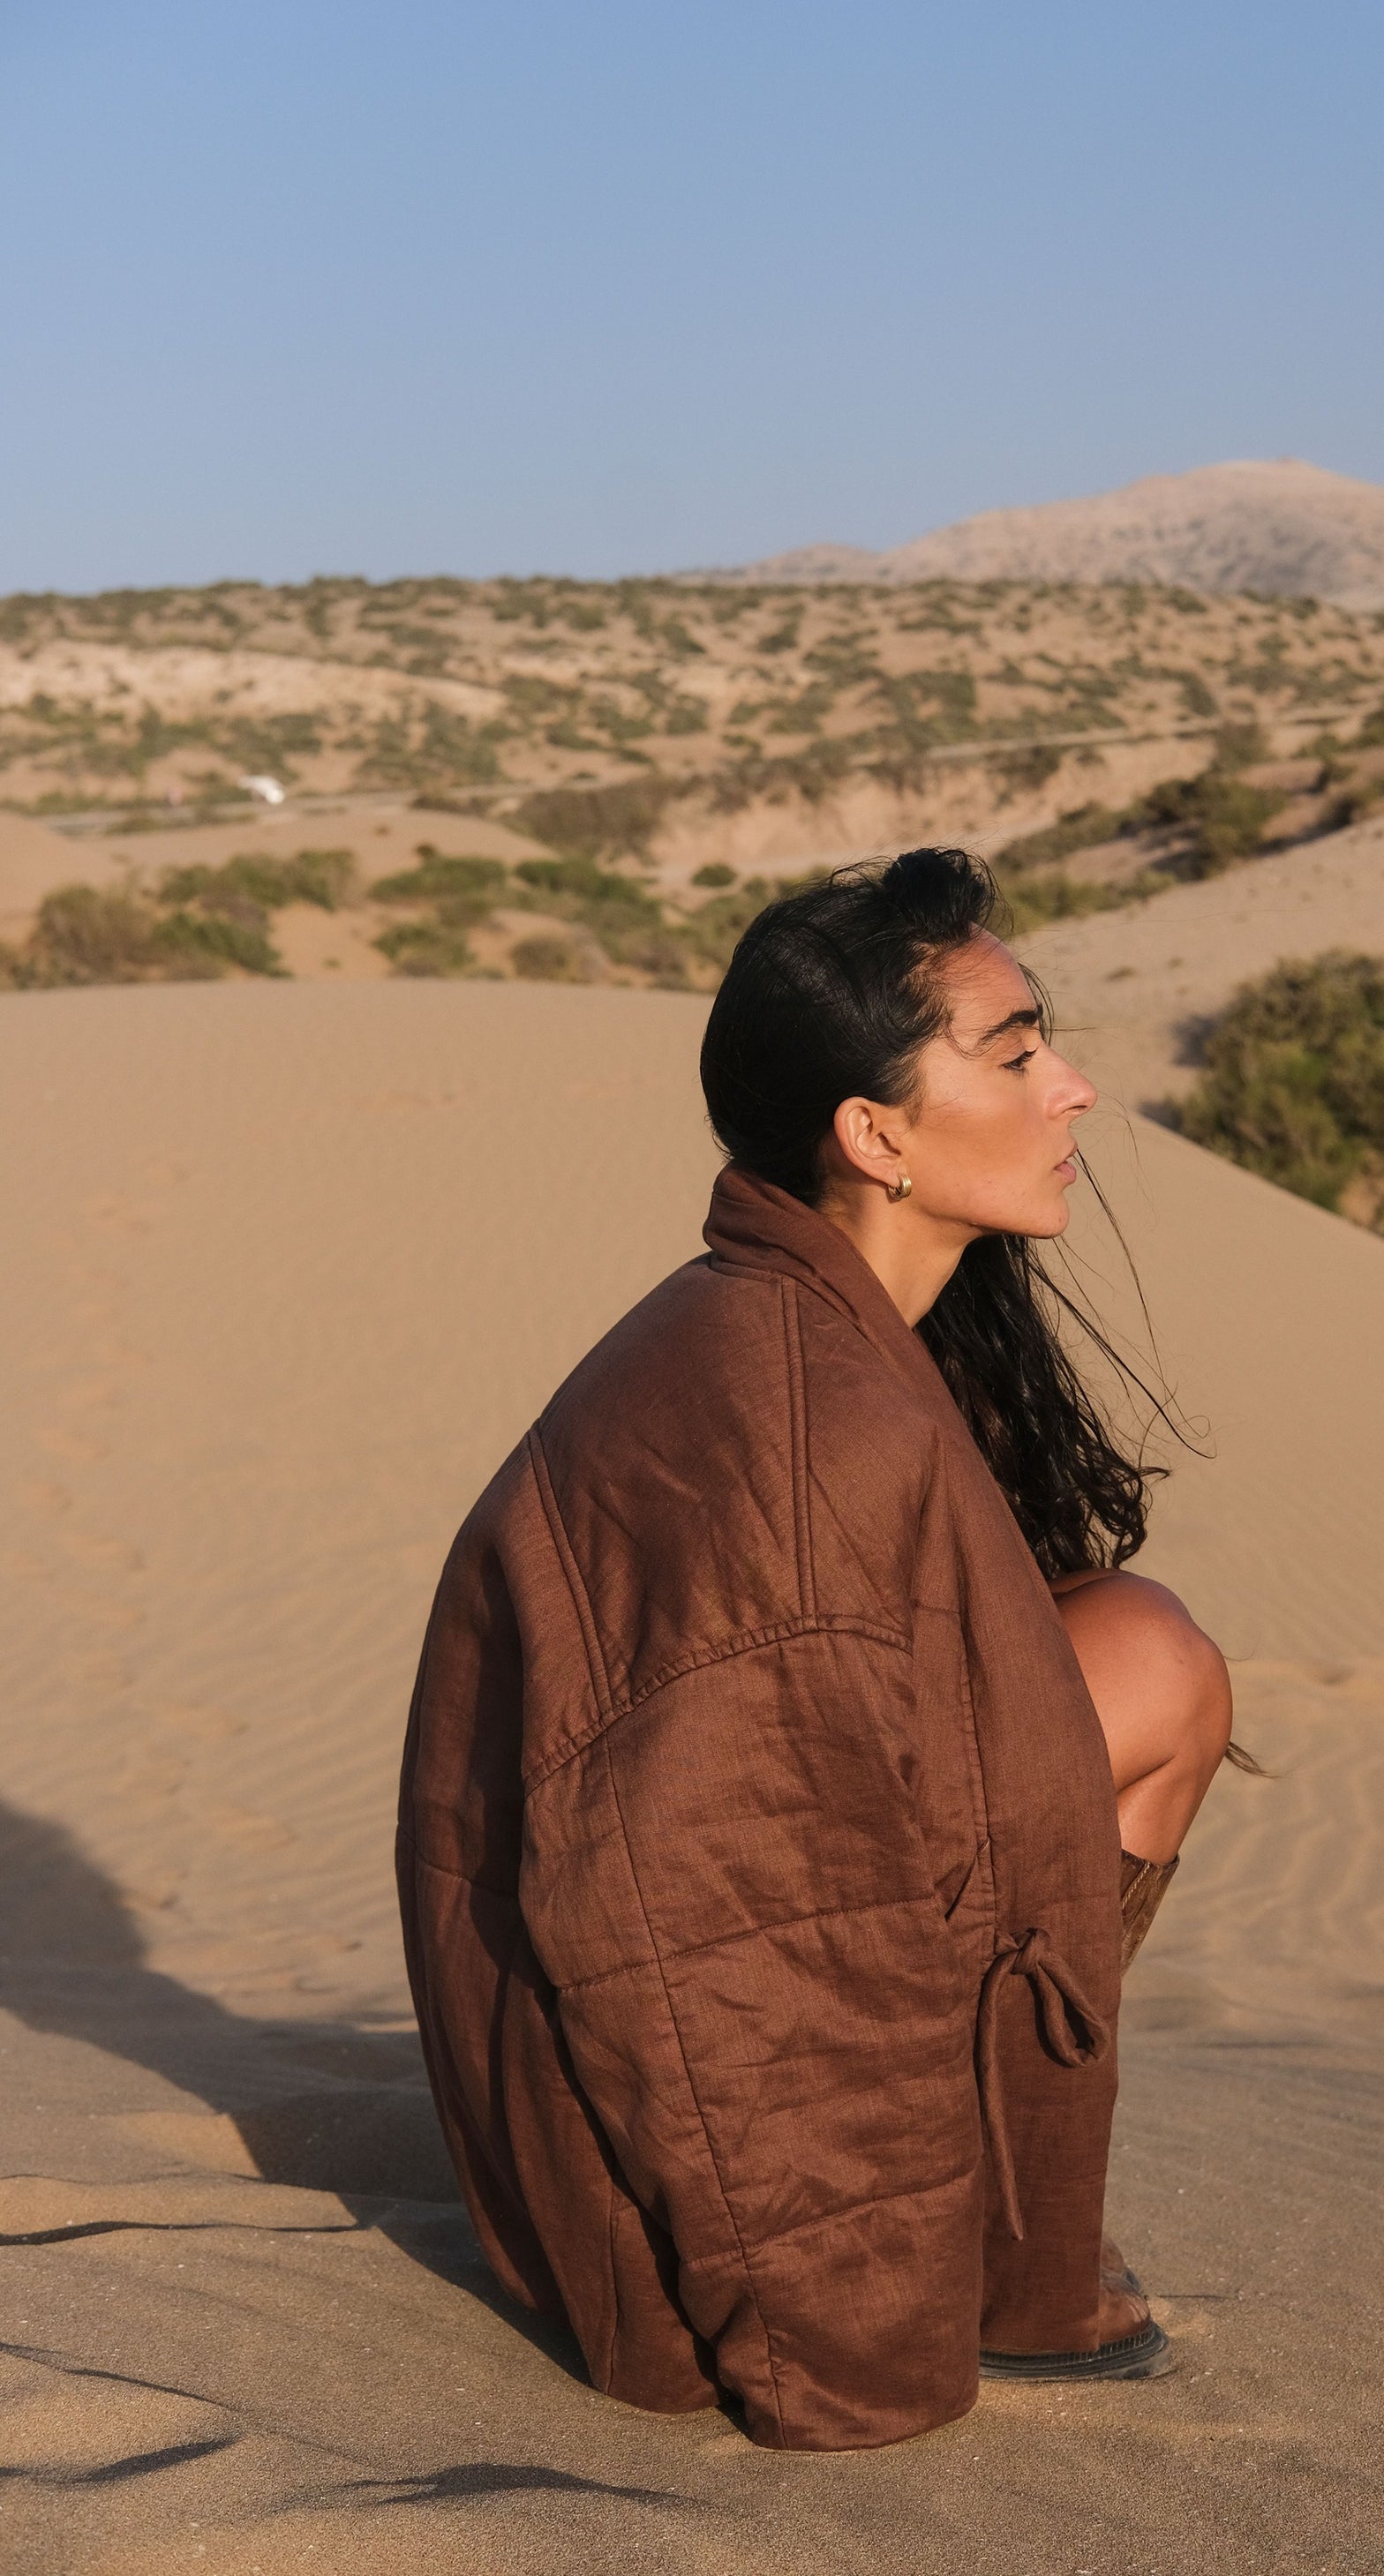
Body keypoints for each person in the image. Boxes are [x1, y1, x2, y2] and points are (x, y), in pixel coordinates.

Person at [397, 846, 1238, 2453]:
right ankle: (999, 2252)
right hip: (637, 2182)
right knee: (1151, 1667)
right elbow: (727, 1926)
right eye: (1012, 1053)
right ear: (874, 1136)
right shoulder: (799, 1424)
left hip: (606, 2003)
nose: (1069, 1089)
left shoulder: (826, 1321)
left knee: (1137, 1648)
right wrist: (853, 2333)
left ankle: (999, 2202)